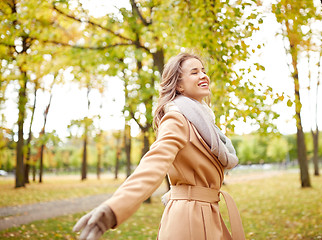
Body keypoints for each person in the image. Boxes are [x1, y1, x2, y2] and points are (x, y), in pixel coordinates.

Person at [73, 52, 246, 240]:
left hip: (208, 215)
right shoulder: (176, 119)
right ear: (179, 85)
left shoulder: (205, 123)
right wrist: (113, 209)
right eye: (194, 72)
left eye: (203, 71)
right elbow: (153, 165)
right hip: (190, 221)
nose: (203, 76)